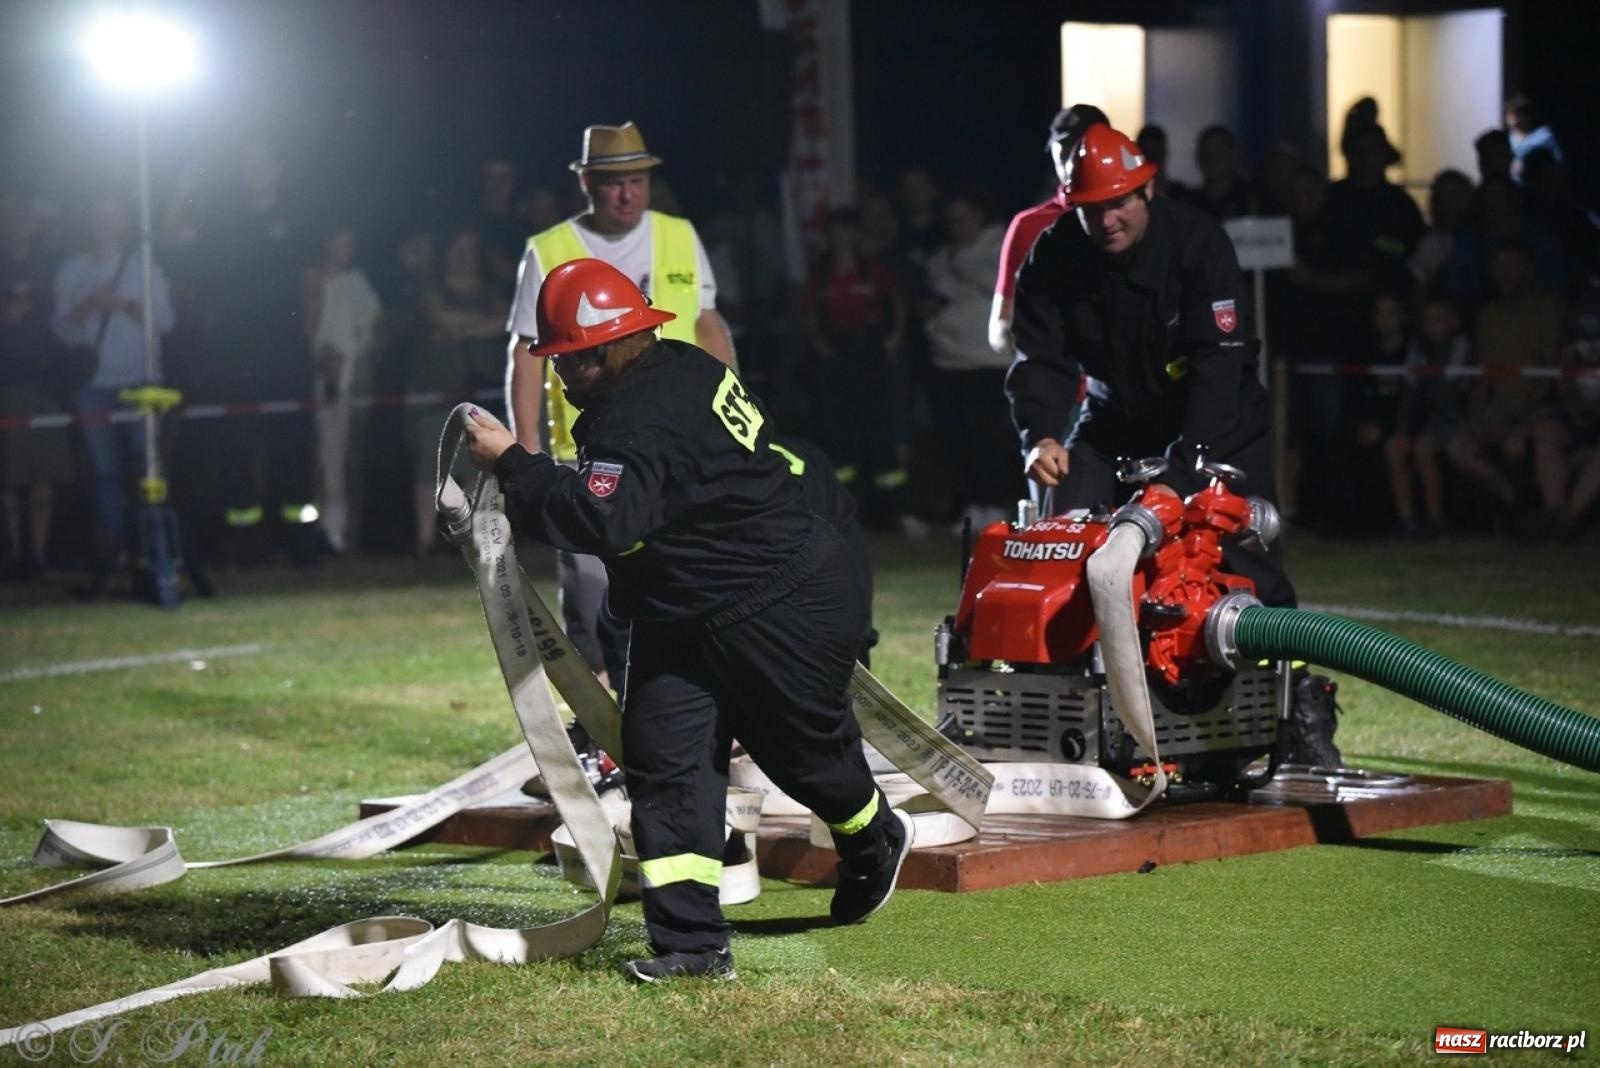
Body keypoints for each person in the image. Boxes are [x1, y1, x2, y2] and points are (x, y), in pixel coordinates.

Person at [464, 258, 913, 982]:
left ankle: (873, 835)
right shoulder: (672, 367)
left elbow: (607, 516)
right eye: (559, 361)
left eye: (575, 359)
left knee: (802, 755)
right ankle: (691, 946)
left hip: (777, 604)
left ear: (615, 345)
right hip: (686, 607)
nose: (566, 375)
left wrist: (515, 465)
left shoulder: (640, 411)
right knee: (664, 761)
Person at [1007, 123, 1337, 764]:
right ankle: (1063, 709)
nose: (1109, 218)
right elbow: (1039, 356)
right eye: (1093, 207)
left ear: (1148, 188)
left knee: (1250, 562)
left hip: (1218, 424)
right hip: (1114, 421)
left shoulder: (1196, 244)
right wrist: (1041, 434)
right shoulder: (1053, 255)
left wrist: (1185, 471)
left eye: (1121, 200)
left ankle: (1300, 708)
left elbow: (1219, 364)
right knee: (1065, 534)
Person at [505, 121, 733, 691]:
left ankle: (691, 704)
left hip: (677, 446)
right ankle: (599, 720)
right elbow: (527, 354)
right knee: (592, 591)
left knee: (687, 576)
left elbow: (709, 326)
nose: (627, 194)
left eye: (637, 180)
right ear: (585, 183)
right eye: (613, 183)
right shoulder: (549, 249)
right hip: (585, 448)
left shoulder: (679, 235)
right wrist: (526, 448)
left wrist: (731, 411)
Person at [50, 193, 175, 598]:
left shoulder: (143, 266)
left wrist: (120, 305)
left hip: (140, 380)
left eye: (113, 215)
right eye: (99, 214)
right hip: (92, 388)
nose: (105, 222)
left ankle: (148, 554)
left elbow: (166, 322)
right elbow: (60, 330)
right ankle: (113, 557)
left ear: (122, 222)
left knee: (145, 470)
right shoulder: (73, 269)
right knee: (104, 474)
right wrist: (89, 305)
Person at [989, 103, 1109, 360]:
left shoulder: (1130, 215)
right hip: (1055, 383)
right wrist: (1033, 358)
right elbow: (1000, 324)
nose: (1072, 155)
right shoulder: (1028, 224)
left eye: (1083, 144)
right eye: (1064, 146)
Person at [303, 220, 381, 555]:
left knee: (352, 458)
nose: (345, 249)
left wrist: (361, 358)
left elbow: (374, 326)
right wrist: (325, 364)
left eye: (350, 243)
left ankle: (350, 534)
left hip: (355, 380)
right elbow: (311, 332)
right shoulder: (314, 279)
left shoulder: (357, 282)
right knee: (327, 458)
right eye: (340, 241)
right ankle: (328, 532)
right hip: (324, 381)